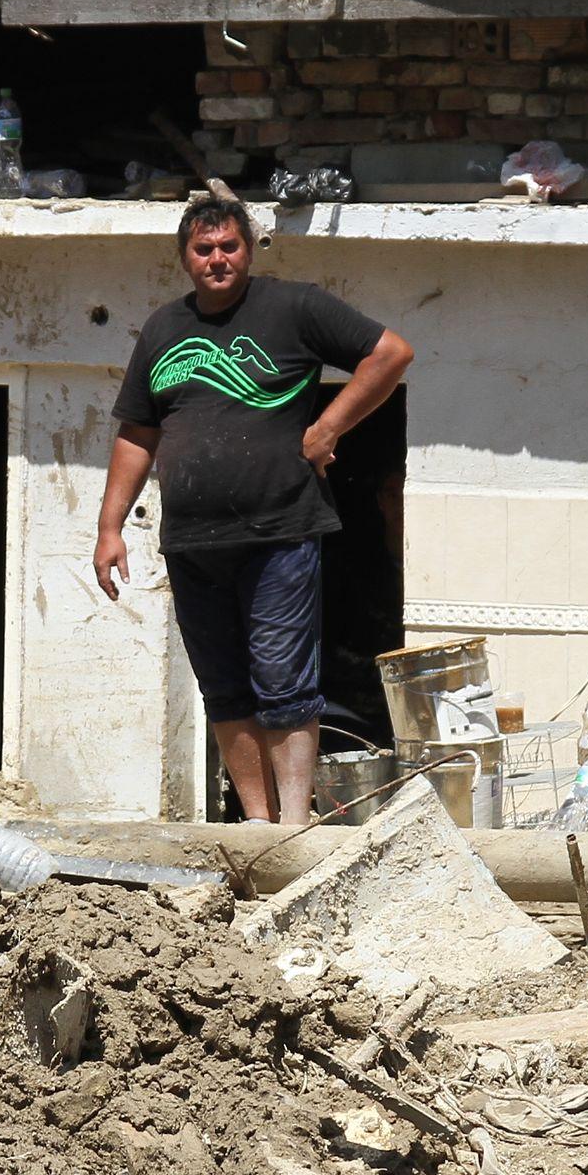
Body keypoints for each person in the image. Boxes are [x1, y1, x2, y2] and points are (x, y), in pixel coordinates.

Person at [96, 194, 414, 824]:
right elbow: (137, 432)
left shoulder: (292, 307)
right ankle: (257, 826)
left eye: (229, 246)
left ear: (250, 249)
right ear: (185, 258)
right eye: (204, 249)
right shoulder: (163, 328)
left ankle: (294, 825)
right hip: (191, 541)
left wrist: (328, 429)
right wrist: (109, 527)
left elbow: (391, 354)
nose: (218, 258)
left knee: (284, 680)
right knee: (223, 685)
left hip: (280, 533)